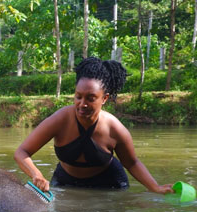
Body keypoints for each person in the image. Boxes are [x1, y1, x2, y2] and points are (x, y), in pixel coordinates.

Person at [14, 57, 173, 194]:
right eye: (78, 97)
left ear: (104, 98)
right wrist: (36, 175)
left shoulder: (115, 129)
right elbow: (22, 151)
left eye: (90, 98)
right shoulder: (60, 120)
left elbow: (132, 163)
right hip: (65, 180)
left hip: (109, 183)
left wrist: (155, 187)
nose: (82, 104)